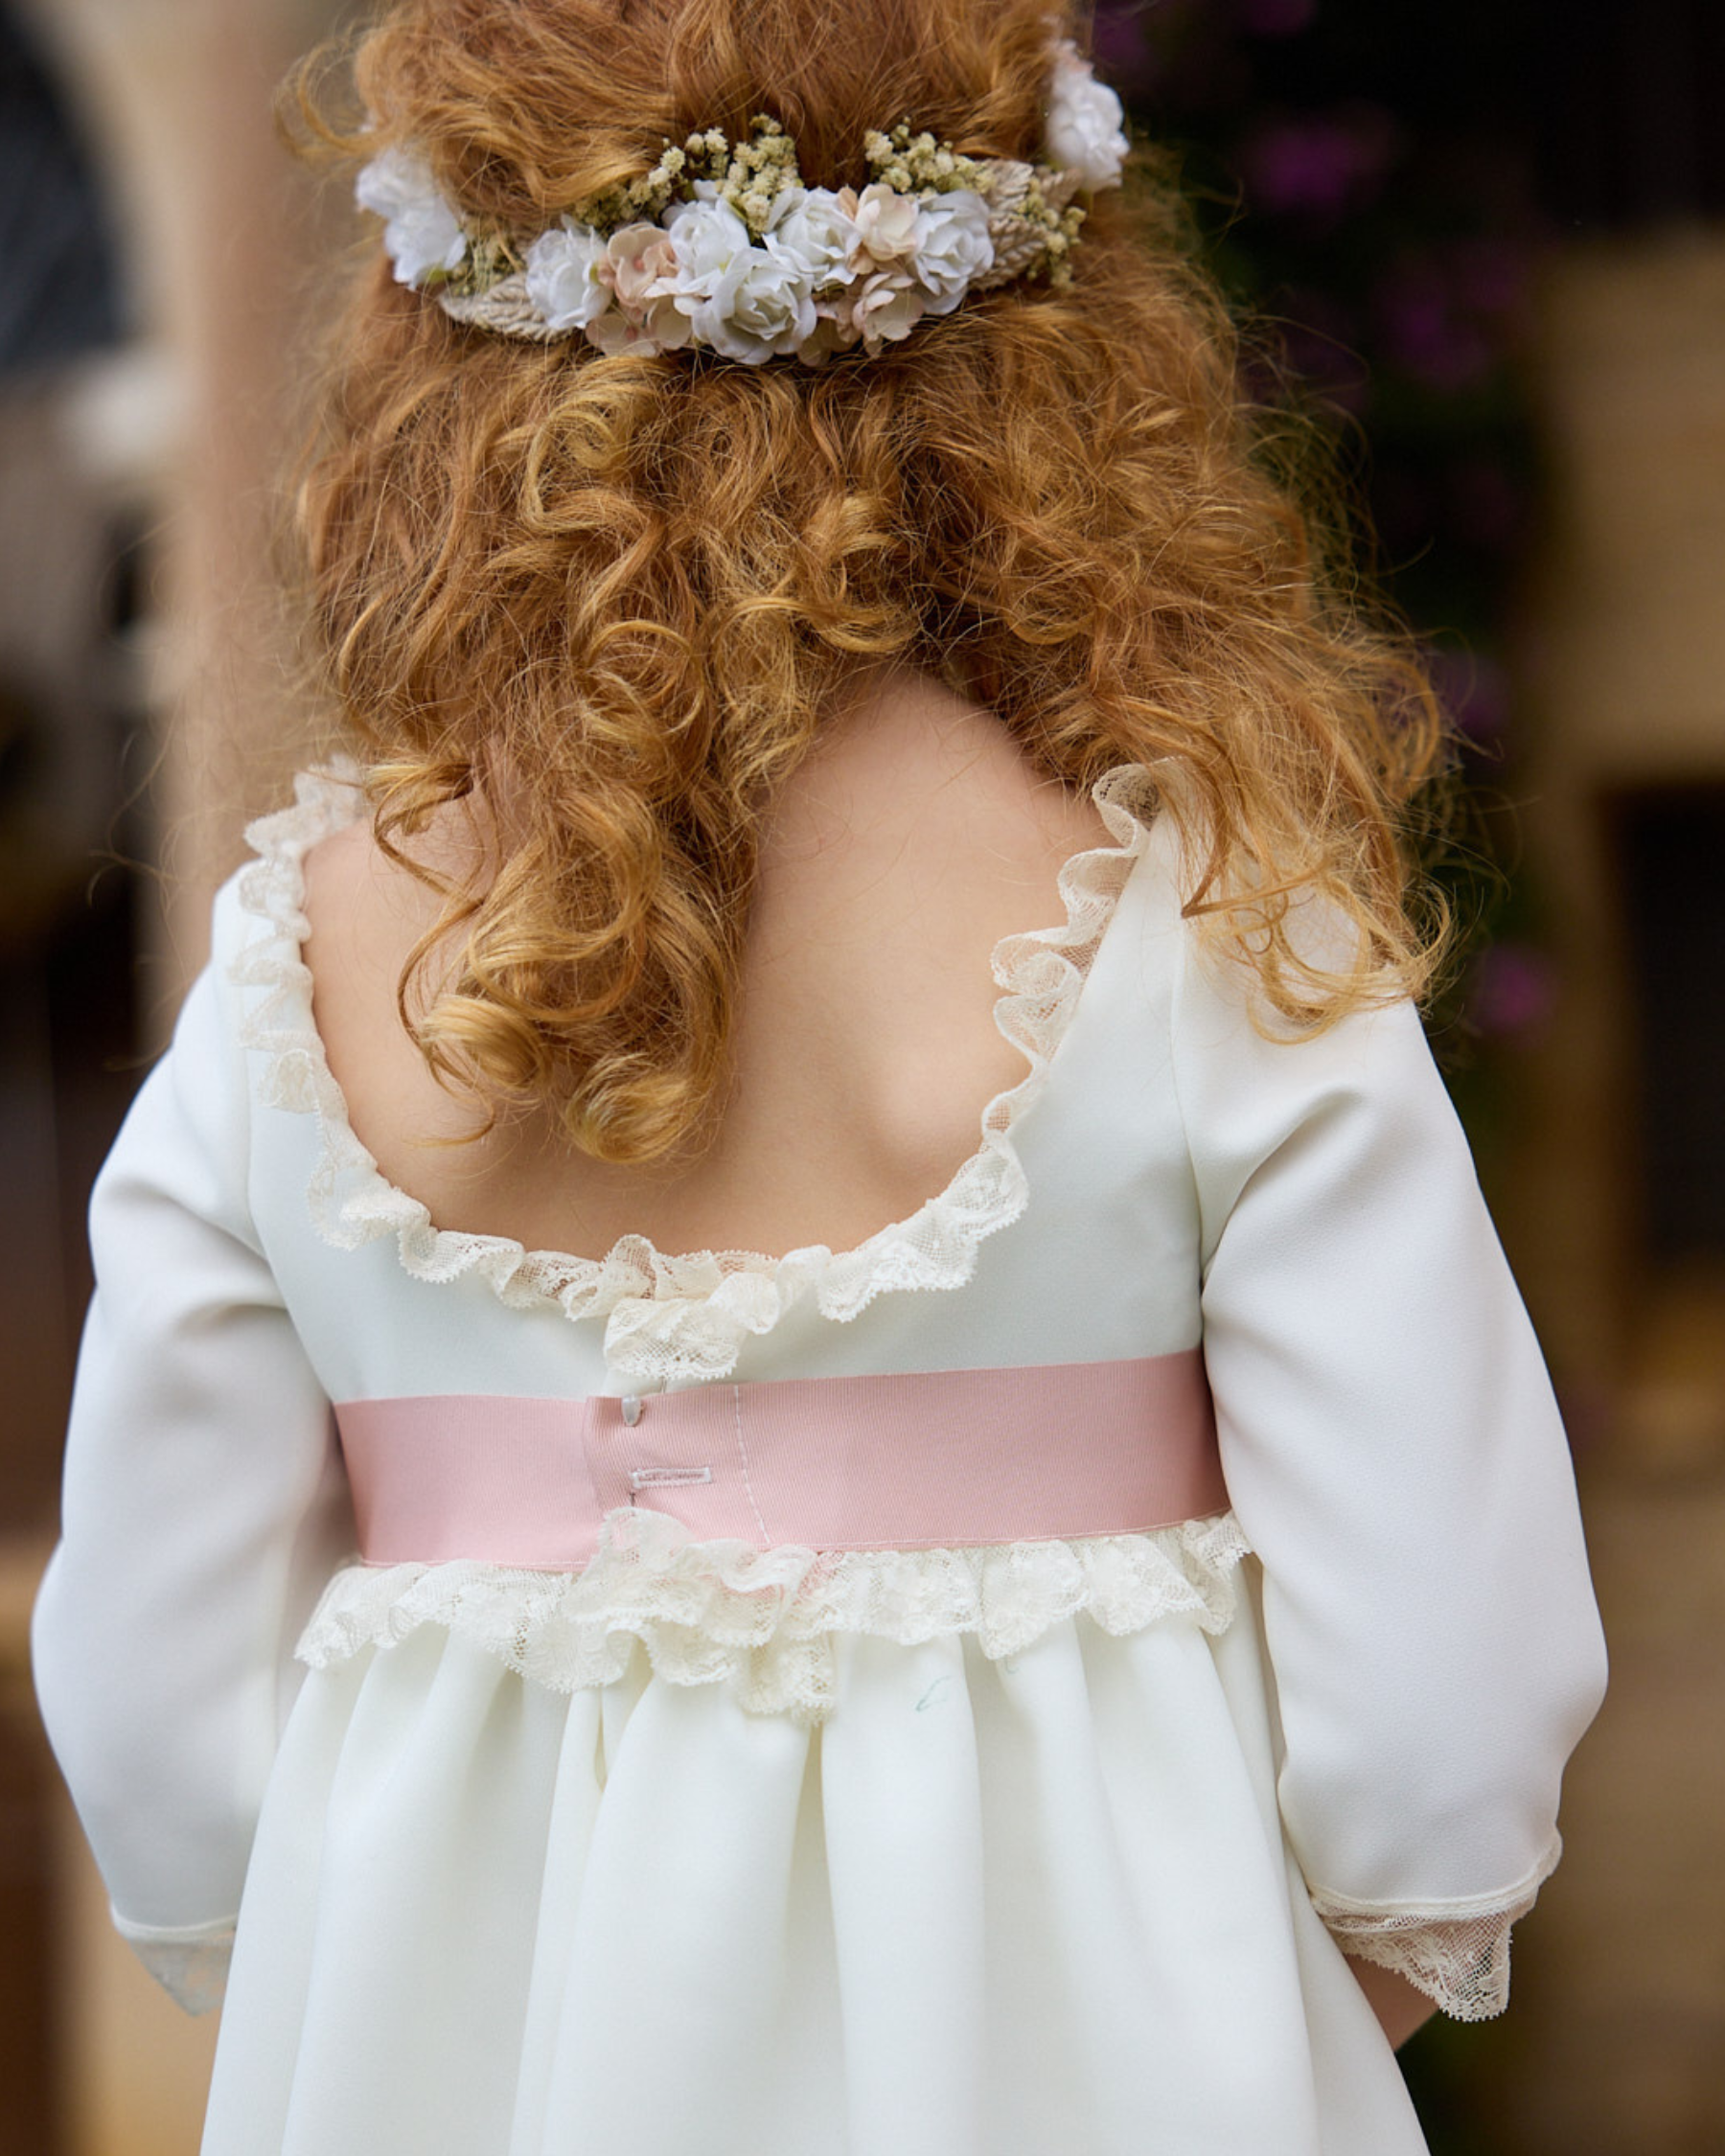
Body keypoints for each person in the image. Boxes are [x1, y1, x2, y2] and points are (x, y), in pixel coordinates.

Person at [33, 4, 1606, 2151]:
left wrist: (406, 1944)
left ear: (441, 368)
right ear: (1051, 360)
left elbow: (157, 1714)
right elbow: (1441, 1703)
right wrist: (1203, 1997)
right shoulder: (1219, 935)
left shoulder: (301, 968)